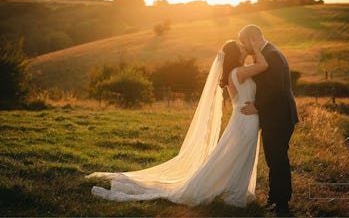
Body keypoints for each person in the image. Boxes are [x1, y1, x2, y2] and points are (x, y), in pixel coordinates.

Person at [85, 39, 269, 208]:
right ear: (235, 55)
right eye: (240, 47)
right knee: (239, 156)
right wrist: (255, 46)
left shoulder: (236, 72)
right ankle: (233, 192)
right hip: (245, 120)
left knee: (237, 156)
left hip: (244, 118)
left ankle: (234, 189)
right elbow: (264, 65)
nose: (244, 48)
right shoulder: (238, 72)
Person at [238, 24, 298, 215]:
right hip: (274, 116)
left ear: (253, 39)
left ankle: (282, 203)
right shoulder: (265, 54)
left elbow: (276, 89)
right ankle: (275, 197)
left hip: (279, 117)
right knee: (273, 158)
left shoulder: (272, 55)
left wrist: (256, 106)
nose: (244, 46)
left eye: (244, 42)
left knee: (278, 159)